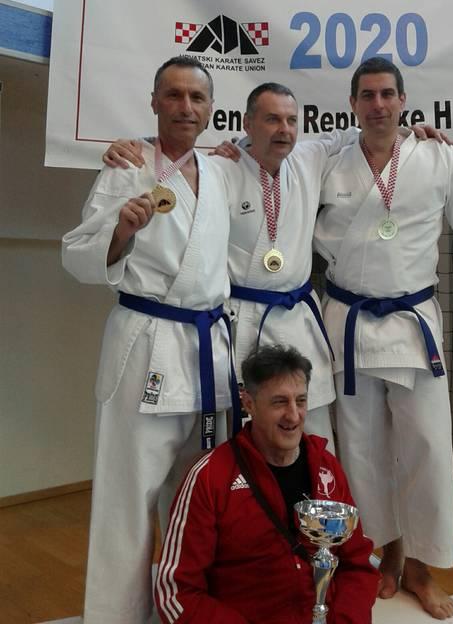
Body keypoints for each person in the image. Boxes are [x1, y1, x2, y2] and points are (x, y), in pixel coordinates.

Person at [103, 83, 446, 451]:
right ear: (247, 124)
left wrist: (408, 133)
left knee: (312, 429)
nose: (283, 130)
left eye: (291, 121)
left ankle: (314, 489)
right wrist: (138, 145)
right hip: (243, 322)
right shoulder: (221, 168)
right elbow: (175, 161)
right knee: (251, 434)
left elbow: (361, 133)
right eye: (271, 120)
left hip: (297, 319)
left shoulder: (310, 157)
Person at [313, 57, 453, 619]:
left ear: (403, 101)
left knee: (426, 446)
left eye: (387, 94)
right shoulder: (329, 161)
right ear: (353, 104)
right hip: (348, 323)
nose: (377, 104)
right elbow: (271, 161)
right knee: (363, 451)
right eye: (367, 95)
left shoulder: (438, 156)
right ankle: (388, 556)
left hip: (412, 322)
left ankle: (422, 570)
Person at [62, 55, 238, 624]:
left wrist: (414, 131)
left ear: (210, 108)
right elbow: (77, 253)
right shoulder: (127, 166)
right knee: (129, 492)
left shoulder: (224, 169)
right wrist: (121, 230)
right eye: (174, 95)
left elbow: (293, 149)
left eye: (197, 97)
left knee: (204, 493)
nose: (186, 107)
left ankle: (193, 610)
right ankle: (117, 616)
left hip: (207, 348)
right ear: (154, 101)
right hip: (146, 343)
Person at [155, 344, 379, 624]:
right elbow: (175, 592)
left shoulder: (327, 468)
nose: (293, 415)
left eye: (300, 401)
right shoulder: (209, 477)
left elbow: (357, 565)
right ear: (249, 404)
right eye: (279, 402)